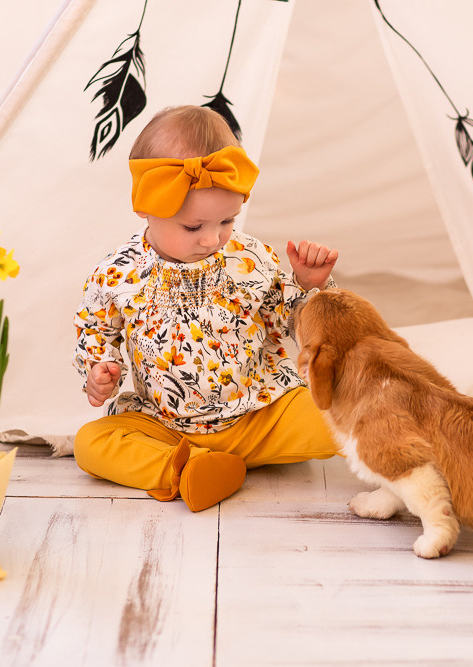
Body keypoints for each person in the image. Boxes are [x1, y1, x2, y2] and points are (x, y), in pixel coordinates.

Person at [72, 105, 340, 512]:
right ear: (146, 207)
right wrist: (99, 373)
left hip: (258, 414)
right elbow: (96, 332)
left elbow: (289, 320)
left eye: (227, 221)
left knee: (339, 413)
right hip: (165, 425)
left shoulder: (249, 258)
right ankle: (185, 467)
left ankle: (209, 464)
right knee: (91, 445)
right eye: (194, 227)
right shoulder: (118, 275)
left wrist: (309, 286)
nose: (212, 238)